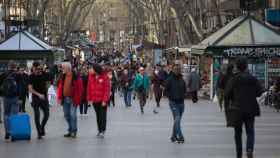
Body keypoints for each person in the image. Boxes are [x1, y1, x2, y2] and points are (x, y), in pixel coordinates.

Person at [225, 58, 263, 158]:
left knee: (238, 133)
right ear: (246, 66)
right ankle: (249, 149)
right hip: (250, 109)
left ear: (237, 67)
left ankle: (239, 154)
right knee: (250, 131)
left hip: (237, 109)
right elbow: (259, 92)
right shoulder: (253, 78)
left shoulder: (234, 79)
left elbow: (227, 94)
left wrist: (231, 100)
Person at [57, 62, 83, 138]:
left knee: (73, 115)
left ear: (68, 68)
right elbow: (60, 87)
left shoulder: (76, 76)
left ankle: (73, 131)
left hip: (73, 99)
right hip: (65, 98)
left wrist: (78, 98)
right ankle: (71, 129)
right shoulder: (63, 76)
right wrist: (59, 97)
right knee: (66, 115)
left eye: (63, 68)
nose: (62, 69)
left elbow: (80, 89)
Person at [28, 62, 52, 139]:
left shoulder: (45, 74)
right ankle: (39, 132)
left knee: (47, 115)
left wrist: (47, 88)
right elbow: (30, 89)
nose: (36, 71)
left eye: (38, 69)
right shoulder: (31, 76)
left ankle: (42, 127)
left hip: (44, 97)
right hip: (36, 97)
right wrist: (39, 95)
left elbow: (48, 83)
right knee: (37, 115)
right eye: (35, 69)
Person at [87, 64, 110, 138]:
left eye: (92, 69)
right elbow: (89, 88)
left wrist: (105, 100)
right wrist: (89, 99)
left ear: (96, 70)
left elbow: (107, 89)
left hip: (102, 100)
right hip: (95, 100)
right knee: (98, 116)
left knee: (102, 116)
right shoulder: (91, 77)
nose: (91, 70)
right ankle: (99, 130)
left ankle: (102, 131)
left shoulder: (105, 77)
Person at [165, 64, 186, 144]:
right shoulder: (169, 79)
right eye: (175, 69)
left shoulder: (182, 79)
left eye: (178, 69)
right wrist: (171, 97)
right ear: (173, 70)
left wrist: (183, 95)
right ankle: (180, 136)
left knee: (177, 120)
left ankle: (173, 136)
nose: (177, 70)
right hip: (173, 103)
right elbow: (165, 91)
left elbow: (184, 89)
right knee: (177, 119)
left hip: (181, 103)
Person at [0, 61, 20, 140]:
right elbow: (21, 86)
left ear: (8, 66)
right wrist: (21, 97)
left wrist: (2, 94)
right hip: (15, 97)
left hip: (6, 97)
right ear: (15, 67)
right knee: (14, 115)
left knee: (6, 114)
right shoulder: (17, 75)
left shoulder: (3, 74)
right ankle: (13, 132)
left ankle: (7, 132)